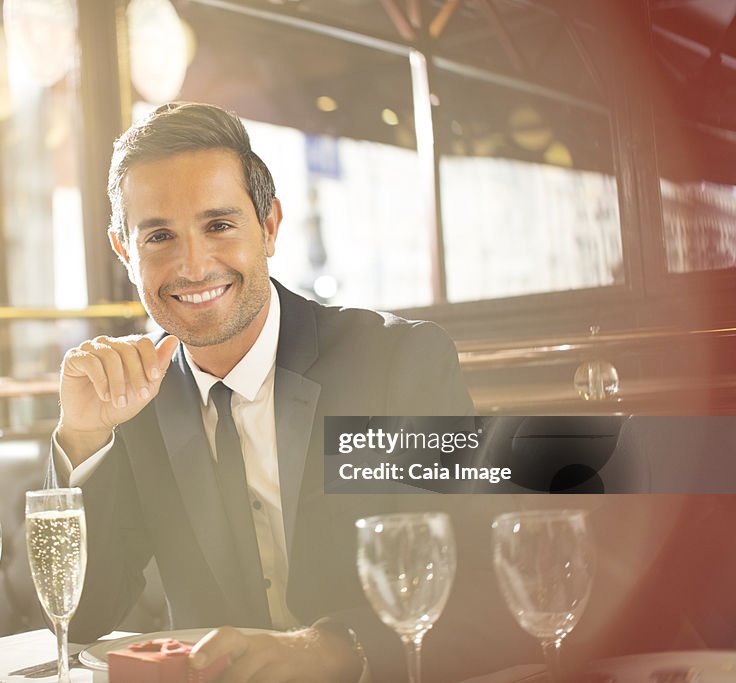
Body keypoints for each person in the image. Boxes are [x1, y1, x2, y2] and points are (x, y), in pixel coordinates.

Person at [49, 102, 527, 681]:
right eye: (159, 236)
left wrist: (325, 651)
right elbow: (78, 615)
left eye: (219, 225)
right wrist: (83, 436)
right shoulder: (134, 402)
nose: (193, 265)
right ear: (125, 250)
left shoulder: (396, 364)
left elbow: (485, 580)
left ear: (269, 226)